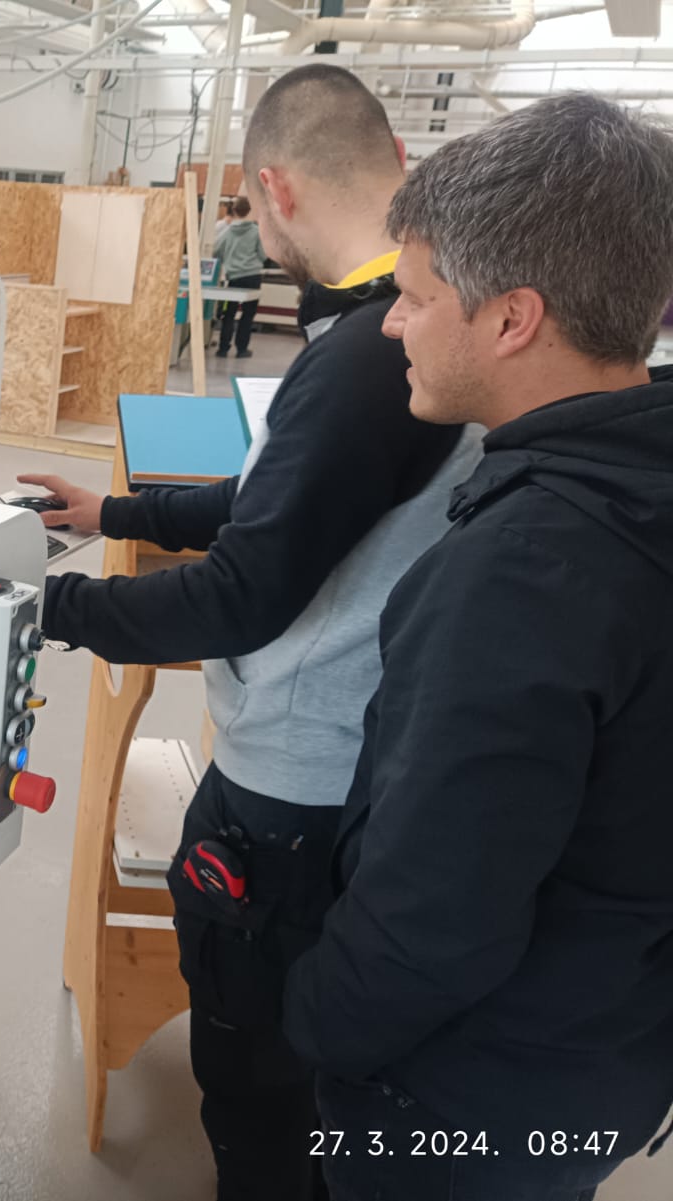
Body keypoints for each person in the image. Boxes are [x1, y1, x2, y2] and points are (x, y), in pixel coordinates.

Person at [18, 64, 482, 1201]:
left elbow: (238, 594)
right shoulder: (419, 325)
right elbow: (284, 499)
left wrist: (41, 608)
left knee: (256, 1082)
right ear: (398, 161)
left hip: (295, 791)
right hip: (363, 761)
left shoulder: (364, 355)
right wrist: (117, 513)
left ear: (270, 188)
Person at [284, 92, 673, 1201]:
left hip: (460, 1108)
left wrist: (312, 1022)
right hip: (604, 1055)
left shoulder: (523, 575)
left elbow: (430, 927)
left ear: (511, 319)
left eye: (413, 296)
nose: (391, 325)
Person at [213, 196, 265, 358]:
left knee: (229, 314)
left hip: (233, 277)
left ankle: (223, 349)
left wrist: (229, 260)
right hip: (253, 276)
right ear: (250, 210)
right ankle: (242, 349)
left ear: (234, 210)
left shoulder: (227, 232)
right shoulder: (256, 232)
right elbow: (263, 255)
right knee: (248, 315)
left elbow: (216, 250)